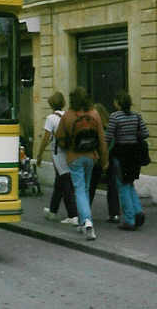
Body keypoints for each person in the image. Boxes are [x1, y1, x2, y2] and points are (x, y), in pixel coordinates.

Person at [56, 87, 108, 241]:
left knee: (79, 190)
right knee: (85, 188)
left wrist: (67, 146)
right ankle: (82, 221)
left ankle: (86, 221)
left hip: (74, 156)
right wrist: (105, 160)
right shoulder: (94, 114)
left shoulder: (68, 115)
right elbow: (102, 140)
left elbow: (60, 137)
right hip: (91, 156)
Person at [105, 91, 149, 231]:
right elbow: (145, 133)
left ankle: (129, 219)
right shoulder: (137, 116)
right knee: (129, 183)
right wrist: (133, 134)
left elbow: (108, 137)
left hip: (121, 154)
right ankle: (138, 211)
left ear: (118, 102)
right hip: (134, 154)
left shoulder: (115, 116)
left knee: (122, 186)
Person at [35, 91, 78, 224]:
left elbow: (46, 139)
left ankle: (73, 215)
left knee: (65, 183)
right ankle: (53, 211)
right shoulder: (68, 116)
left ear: (51, 104)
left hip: (58, 153)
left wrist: (39, 155)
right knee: (60, 182)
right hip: (69, 152)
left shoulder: (50, 118)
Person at [90, 102, 121, 224]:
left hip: (97, 159)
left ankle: (85, 212)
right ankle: (114, 214)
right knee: (112, 187)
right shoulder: (111, 126)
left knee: (91, 185)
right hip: (111, 158)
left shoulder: (95, 127)